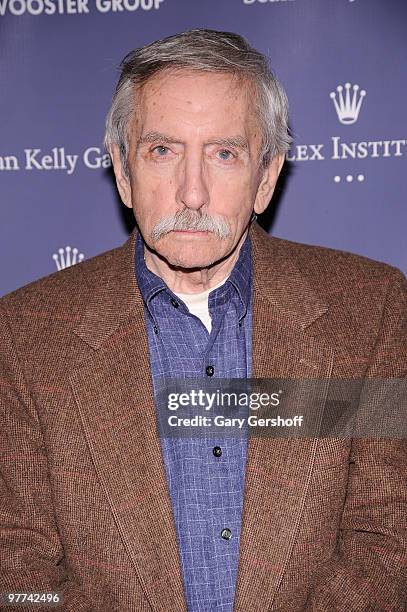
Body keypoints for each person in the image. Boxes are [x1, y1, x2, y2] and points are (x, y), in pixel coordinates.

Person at [0, 29, 406, 612]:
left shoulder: (369, 312)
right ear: (121, 171)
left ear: (266, 177)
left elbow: (390, 543)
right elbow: (16, 578)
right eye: (162, 151)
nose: (192, 192)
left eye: (224, 153)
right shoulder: (25, 334)